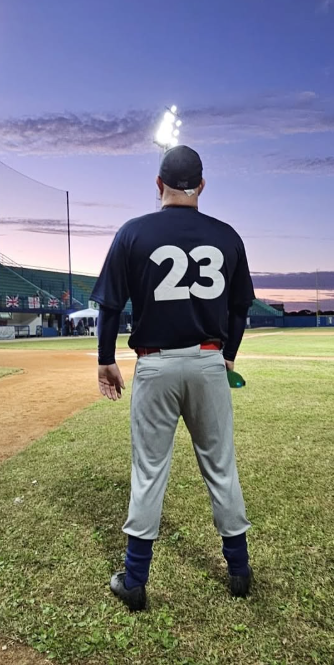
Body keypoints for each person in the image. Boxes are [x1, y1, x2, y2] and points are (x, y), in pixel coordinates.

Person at [91, 145, 255, 612]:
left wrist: (106, 358)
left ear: (158, 185)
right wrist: (227, 356)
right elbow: (241, 310)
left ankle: (136, 578)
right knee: (220, 464)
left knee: (149, 470)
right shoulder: (226, 236)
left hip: (156, 363)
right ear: (202, 186)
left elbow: (108, 307)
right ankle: (239, 570)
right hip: (207, 361)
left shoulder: (134, 232)